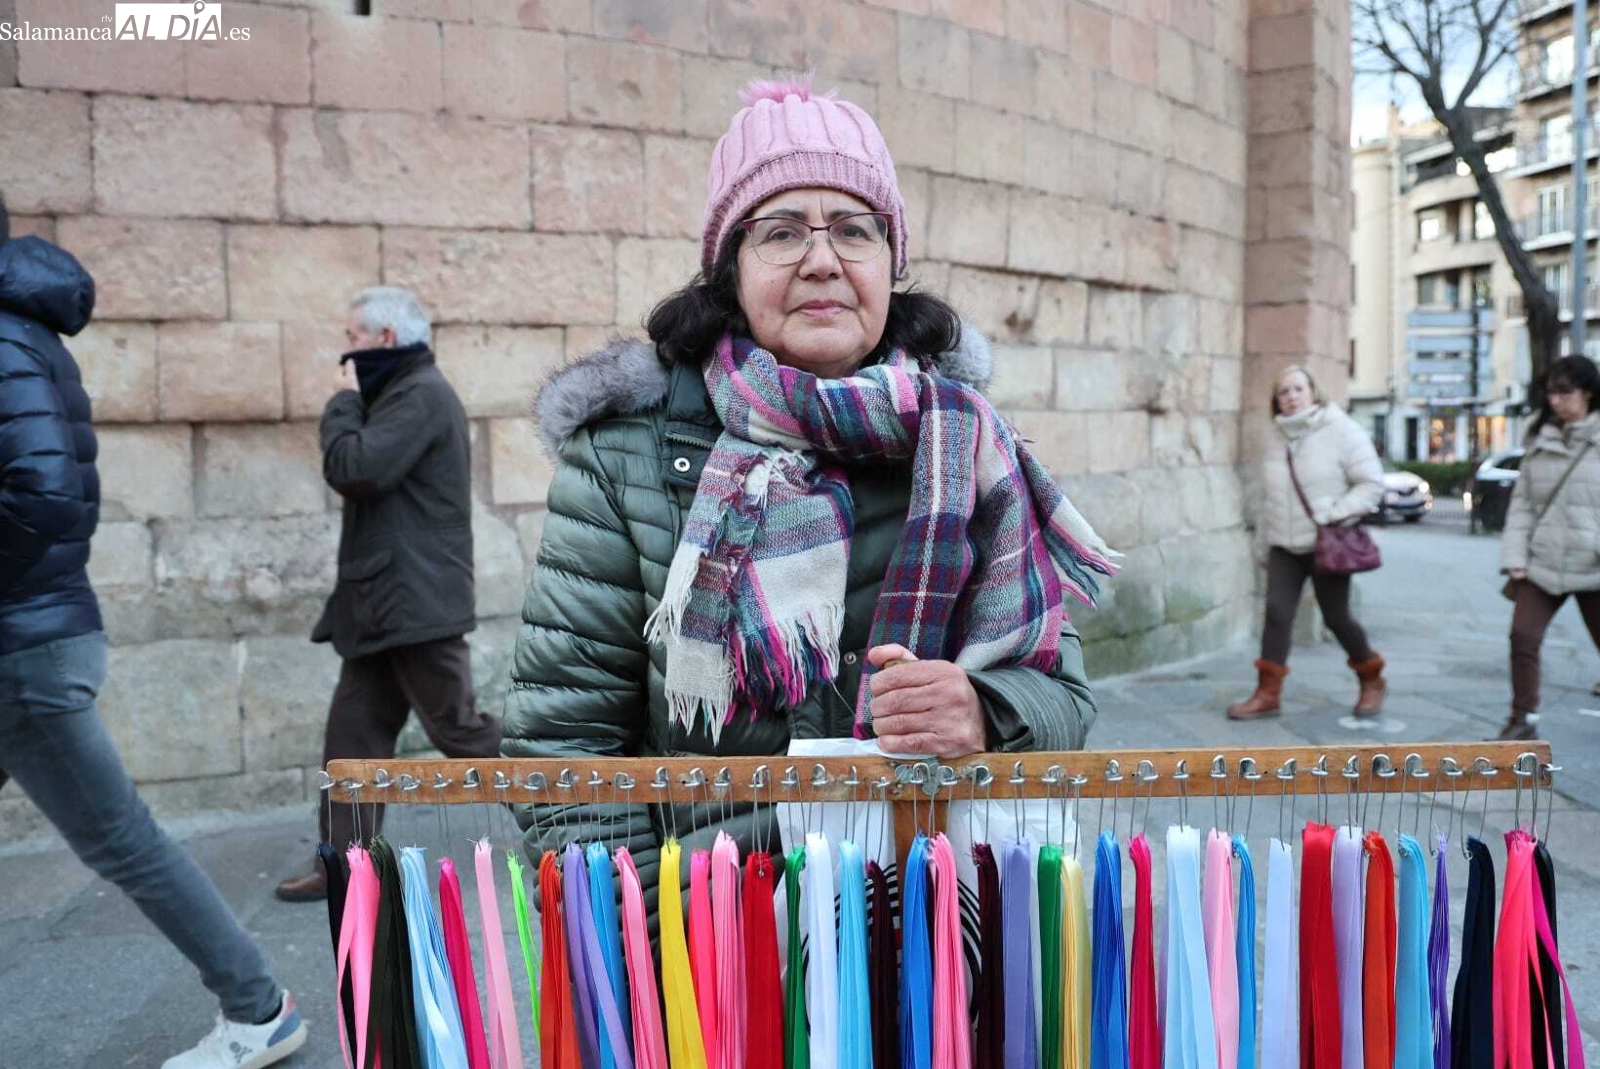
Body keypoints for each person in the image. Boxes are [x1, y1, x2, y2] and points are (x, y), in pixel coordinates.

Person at [501, 79, 1114, 876]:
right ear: (729, 271)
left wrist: (986, 712)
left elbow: (1063, 698)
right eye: (781, 232)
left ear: (890, 263)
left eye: (854, 230)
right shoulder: (625, 459)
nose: (822, 260)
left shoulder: (966, 446)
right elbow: (560, 751)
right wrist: (671, 940)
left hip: (930, 927)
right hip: (720, 941)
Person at [0, 193, 308, 1068]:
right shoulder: (24, 334)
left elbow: (46, 494)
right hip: (32, 631)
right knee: (123, 837)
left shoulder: (4, 338)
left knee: (124, 840)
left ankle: (258, 1007)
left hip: (21, 647)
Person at [275, 286, 501, 901]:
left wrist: (339, 410)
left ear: (383, 338)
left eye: (353, 337)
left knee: (462, 732)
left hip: (415, 604)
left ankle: (580, 814)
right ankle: (342, 868)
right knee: (351, 743)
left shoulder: (420, 394)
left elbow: (358, 468)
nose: (345, 350)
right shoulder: (399, 393)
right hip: (382, 604)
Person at [1228, 364, 1387, 720]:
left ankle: (1371, 677)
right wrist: (1263, 544)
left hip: (1324, 541)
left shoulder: (1342, 429)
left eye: (1298, 388)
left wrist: (1333, 512)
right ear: (1276, 401)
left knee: (1336, 617)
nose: (1292, 397)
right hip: (1284, 544)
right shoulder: (1275, 436)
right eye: (1284, 392)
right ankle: (1267, 694)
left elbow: (1372, 483)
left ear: (1314, 392)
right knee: (1277, 614)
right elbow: (1266, 497)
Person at [1498, 354, 1600, 741]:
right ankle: (1523, 721)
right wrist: (1514, 559)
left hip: (1593, 564)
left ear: (1588, 392)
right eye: (1551, 392)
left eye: (1565, 391)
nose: (1555, 400)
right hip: (1543, 562)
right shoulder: (1539, 437)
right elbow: (1522, 503)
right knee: (1522, 636)